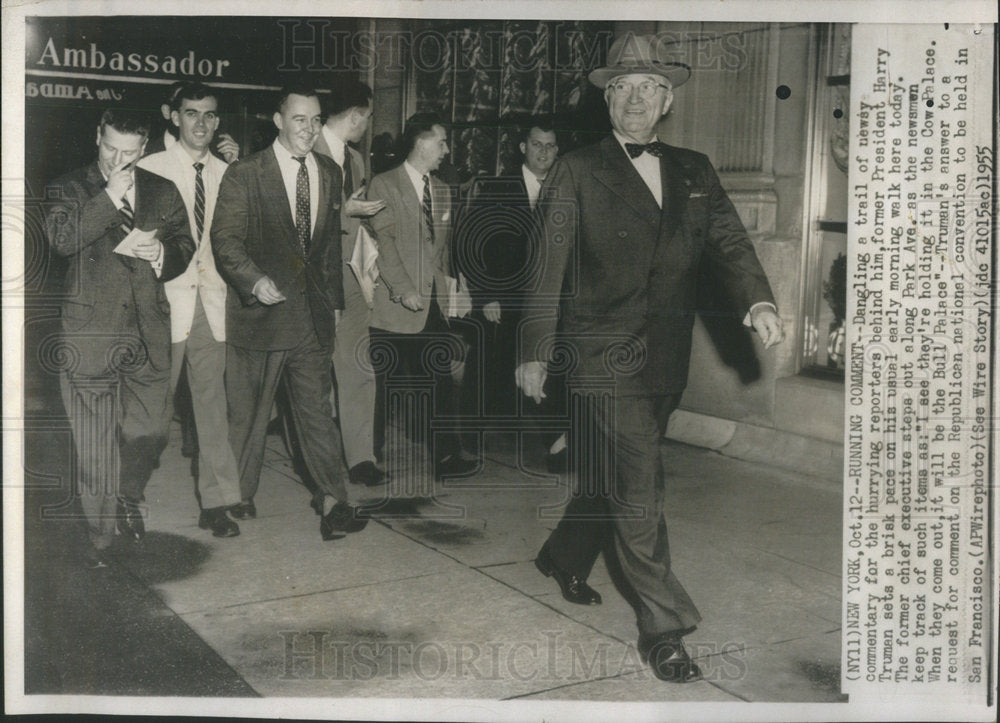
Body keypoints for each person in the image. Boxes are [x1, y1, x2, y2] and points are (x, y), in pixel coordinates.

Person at [516, 34, 785, 683]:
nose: (635, 99)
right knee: (641, 482)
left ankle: (562, 552)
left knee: (617, 474)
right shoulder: (577, 167)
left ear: (665, 101)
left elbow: (729, 242)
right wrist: (533, 350)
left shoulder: (695, 169)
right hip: (599, 352)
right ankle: (663, 629)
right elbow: (545, 267)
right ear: (610, 101)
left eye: (648, 89)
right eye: (623, 88)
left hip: (664, 357)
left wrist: (757, 302)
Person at [211, 81, 368, 541]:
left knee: (316, 413)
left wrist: (334, 306)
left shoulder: (329, 171)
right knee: (249, 416)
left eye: (316, 120)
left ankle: (334, 501)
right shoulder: (245, 173)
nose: (309, 128)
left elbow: (325, 255)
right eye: (299, 119)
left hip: (309, 318)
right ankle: (238, 492)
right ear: (278, 121)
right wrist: (253, 281)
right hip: (259, 316)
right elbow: (226, 241)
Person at [45, 108, 195, 566]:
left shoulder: (162, 190)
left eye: (129, 153)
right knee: (94, 448)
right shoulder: (67, 186)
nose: (118, 159)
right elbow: (62, 240)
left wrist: (162, 253)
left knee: (150, 430)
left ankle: (129, 493)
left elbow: (185, 245)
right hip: (90, 333)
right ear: (97, 136)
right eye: (110, 148)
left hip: (147, 330)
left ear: (144, 148)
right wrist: (109, 196)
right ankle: (100, 540)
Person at [138, 82, 243, 538]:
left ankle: (217, 502)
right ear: (172, 115)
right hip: (165, 302)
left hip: (213, 301)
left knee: (212, 405)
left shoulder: (228, 172)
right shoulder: (148, 168)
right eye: (191, 113)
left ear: (218, 121)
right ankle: (129, 497)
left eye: (209, 115)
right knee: (152, 411)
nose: (201, 123)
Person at [367, 113, 478, 481]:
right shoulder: (383, 185)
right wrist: (404, 290)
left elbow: (441, 251)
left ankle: (447, 456)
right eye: (442, 142)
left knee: (439, 379)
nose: (447, 150)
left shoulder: (443, 189)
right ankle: (367, 457)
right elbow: (385, 244)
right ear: (420, 143)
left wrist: (452, 290)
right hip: (394, 305)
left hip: (433, 303)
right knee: (383, 384)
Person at [312, 79, 388, 487]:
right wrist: (347, 211)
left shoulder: (356, 161)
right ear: (357, 116)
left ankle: (361, 458)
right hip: (319, 279)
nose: (366, 124)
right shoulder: (308, 150)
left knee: (359, 363)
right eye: (366, 117)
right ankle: (320, 457)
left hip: (353, 276)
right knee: (316, 371)